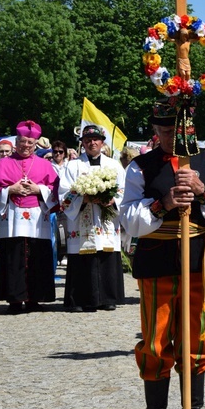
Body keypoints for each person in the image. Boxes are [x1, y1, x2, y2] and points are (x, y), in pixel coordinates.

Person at [119, 99, 205, 409]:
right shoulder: (140, 167)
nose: (173, 135)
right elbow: (129, 218)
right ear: (155, 130)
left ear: (191, 127)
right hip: (157, 262)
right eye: (165, 130)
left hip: (197, 260)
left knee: (197, 336)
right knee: (156, 338)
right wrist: (164, 203)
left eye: (178, 128)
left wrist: (203, 191)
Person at [0, 121, 60, 314]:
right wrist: (10, 189)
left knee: (37, 257)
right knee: (13, 257)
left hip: (36, 218)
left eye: (30, 142)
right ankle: (15, 300)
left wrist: (38, 189)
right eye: (22, 141)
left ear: (36, 144)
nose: (26, 145)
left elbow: (57, 191)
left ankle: (35, 299)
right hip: (12, 217)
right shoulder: (3, 164)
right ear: (15, 142)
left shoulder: (45, 165)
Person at [59, 125, 126, 312]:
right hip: (82, 218)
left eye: (95, 139)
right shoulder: (72, 166)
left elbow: (123, 191)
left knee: (106, 254)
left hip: (106, 219)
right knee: (82, 258)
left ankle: (108, 298)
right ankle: (79, 299)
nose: (92, 143)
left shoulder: (114, 165)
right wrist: (83, 198)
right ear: (82, 143)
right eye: (87, 140)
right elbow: (64, 193)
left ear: (102, 142)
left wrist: (111, 200)